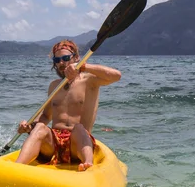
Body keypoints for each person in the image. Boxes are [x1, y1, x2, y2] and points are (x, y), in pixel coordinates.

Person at [15, 39, 122, 172]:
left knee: (79, 128)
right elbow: (45, 116)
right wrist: (29, 127)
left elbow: (116, 76)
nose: (61, 63)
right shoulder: (54, 86)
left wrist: (83, 66)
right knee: (40, 127)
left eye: (66, 58)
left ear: (76, 58)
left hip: (77, 145)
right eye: (57, 60)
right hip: (53, 145)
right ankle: (15, 167)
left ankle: (88, 165)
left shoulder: (90, 81)